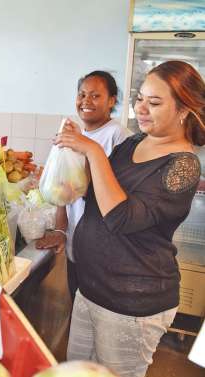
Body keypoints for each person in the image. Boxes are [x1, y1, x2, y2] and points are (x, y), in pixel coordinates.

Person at [56, 60, 204, 377]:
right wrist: (64, 169)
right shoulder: (134, 142)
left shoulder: (183, 165)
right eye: (139, 99)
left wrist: (93, 151)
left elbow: (121, 217)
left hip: (131, 302)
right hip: (91, 287)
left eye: (153, 103)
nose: (141, 110)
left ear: (184, 110)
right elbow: (96, 190)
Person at [35, 71, 132, 301]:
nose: (86, 101)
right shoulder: (75, 134)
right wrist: (60, 231)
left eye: (96, 95)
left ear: (112, 101)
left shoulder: (120, 137)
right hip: (77, 249)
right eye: (82, 94)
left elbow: (113, 194)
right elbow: (63, 190)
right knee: (79, 316)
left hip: (104, 253)